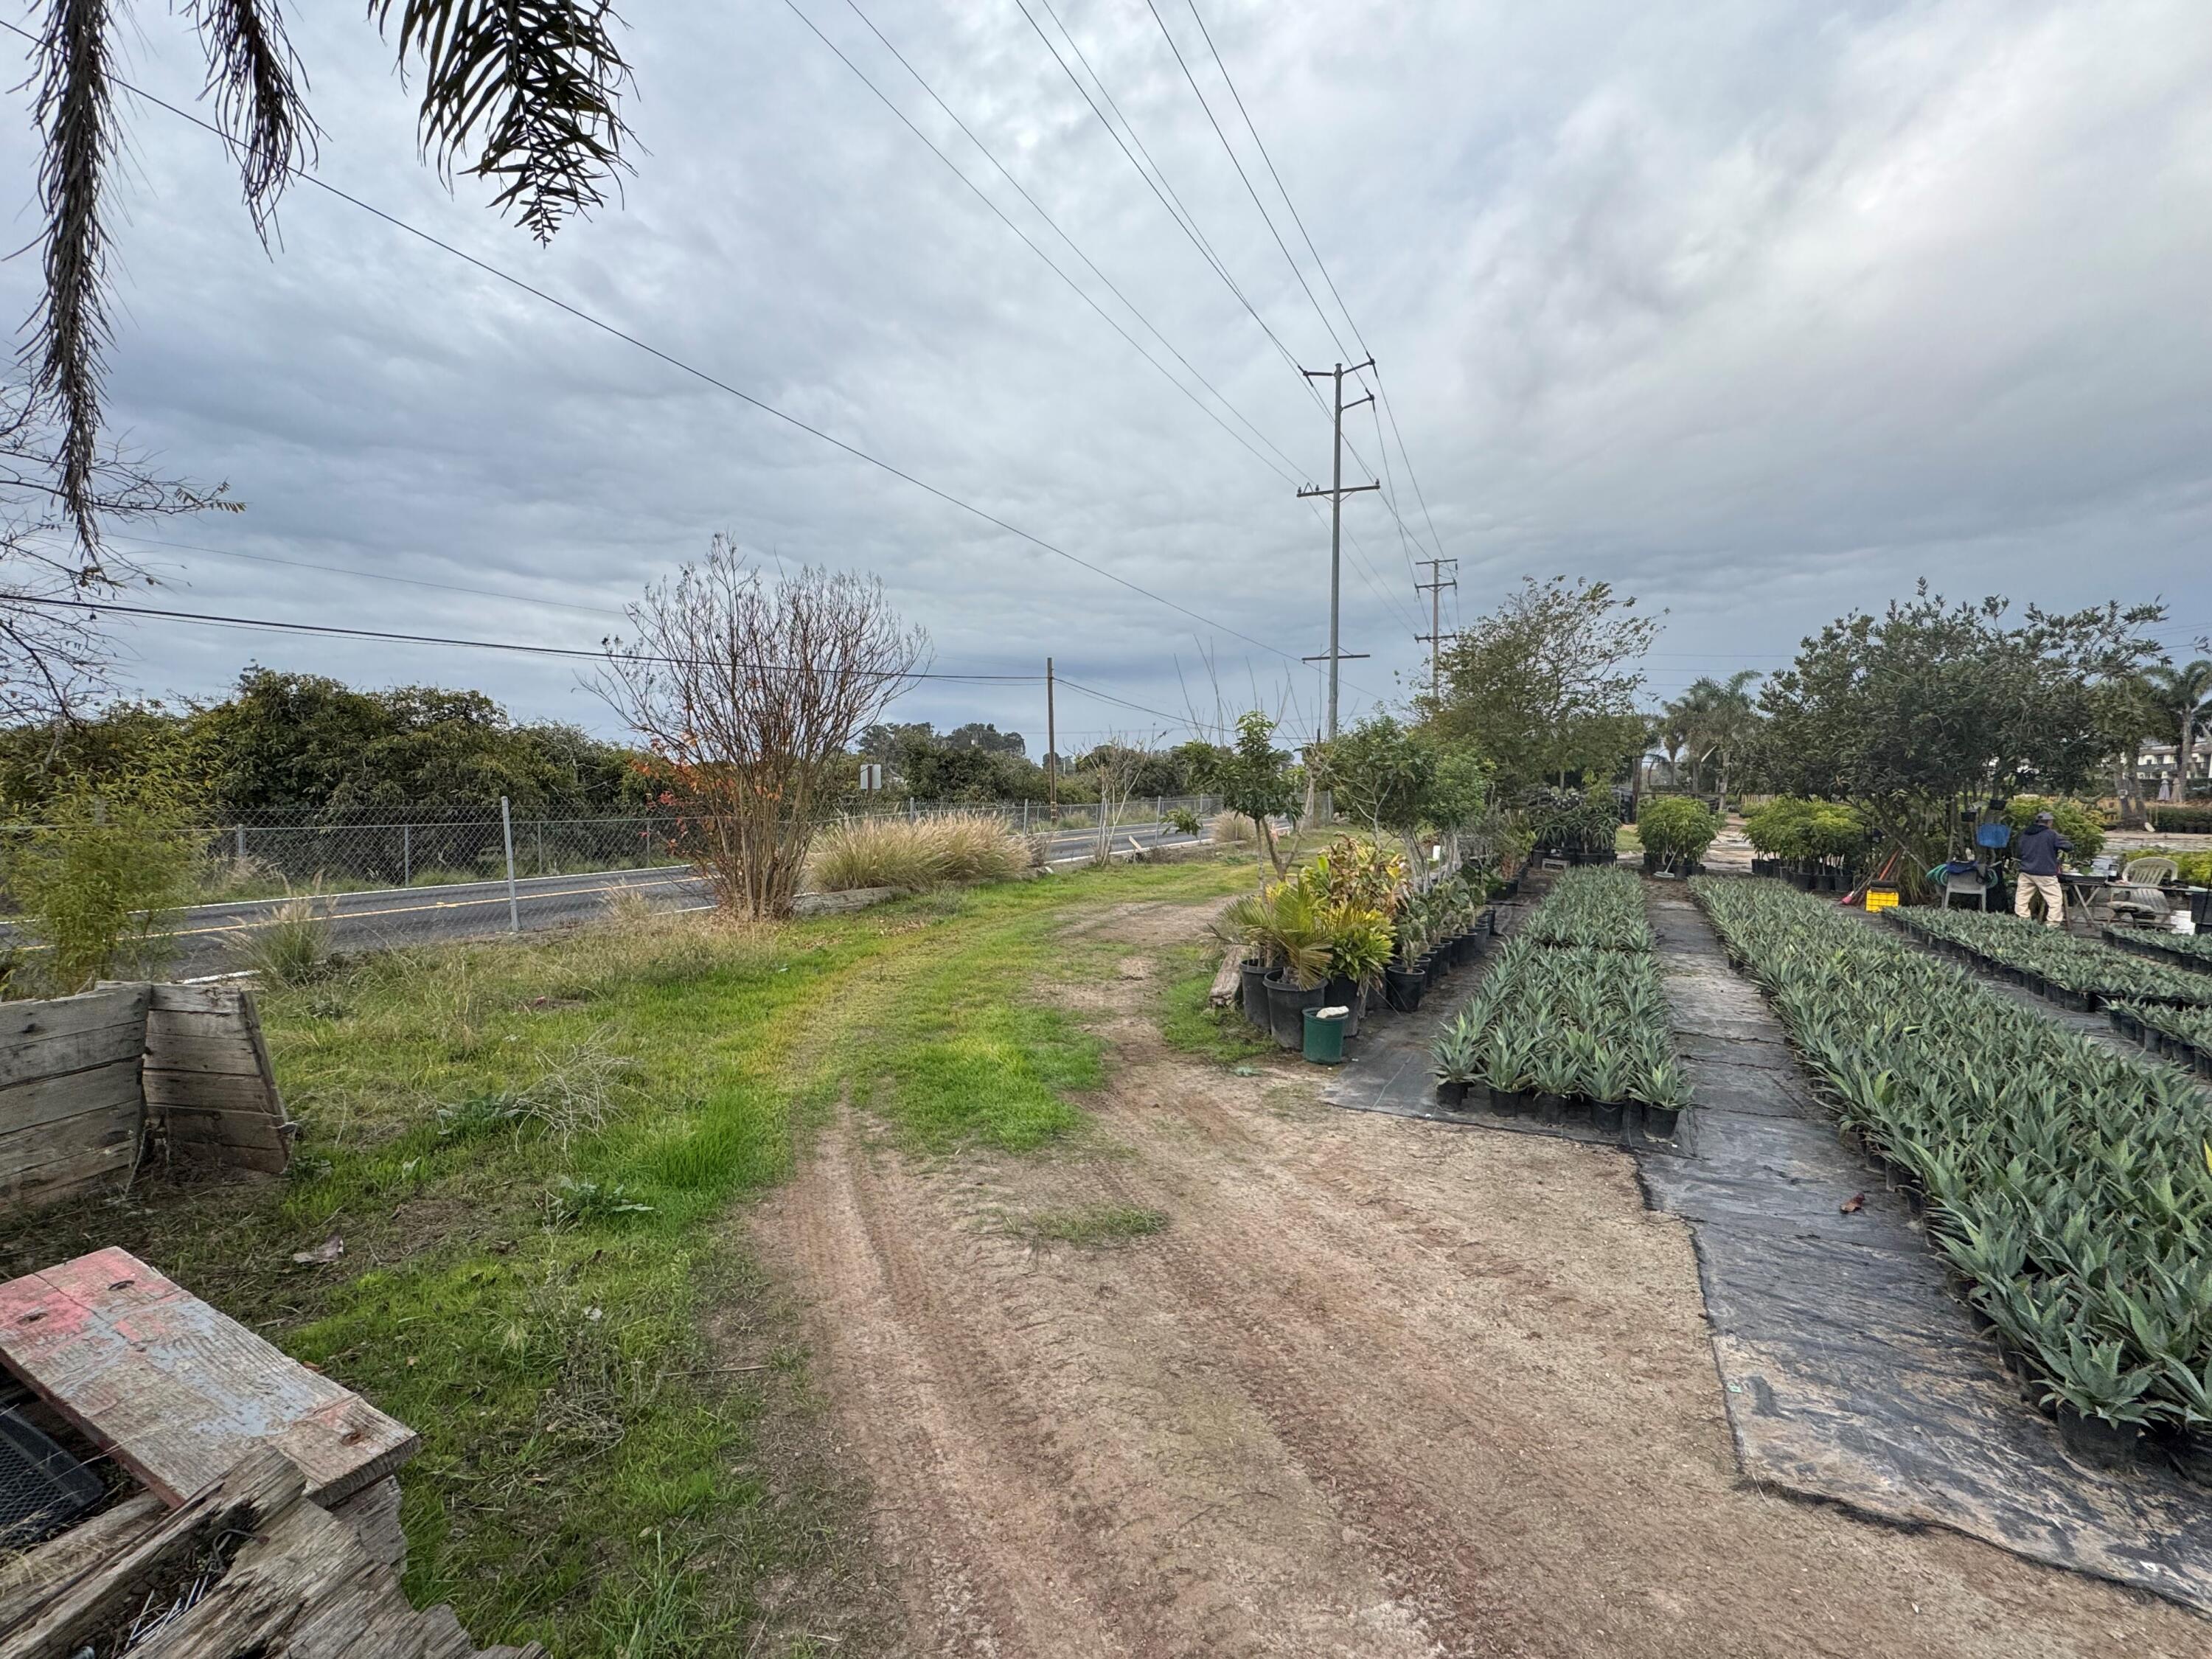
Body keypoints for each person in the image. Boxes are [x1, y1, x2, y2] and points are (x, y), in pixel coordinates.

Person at [2014, 810, 2073, 926]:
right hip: (2045, 872)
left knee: (2022, 897)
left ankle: (2023, 920)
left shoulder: (2025, 833)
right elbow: (2068, 847)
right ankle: (2052, 923)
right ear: (2049, 822)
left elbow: (2019, 850)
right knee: (2054, 898)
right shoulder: (2051, 834)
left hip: (2026, 871)